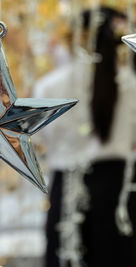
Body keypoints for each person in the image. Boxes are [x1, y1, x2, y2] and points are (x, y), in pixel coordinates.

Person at [33, 7, 136, 267]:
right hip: (117, 189)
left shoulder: (49, 86)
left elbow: (39, 139)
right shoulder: (129, 85)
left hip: (66, 187)